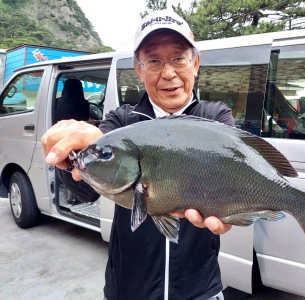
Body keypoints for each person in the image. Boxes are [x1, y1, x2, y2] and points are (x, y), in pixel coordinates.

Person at [41, 9, 233, 300]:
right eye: (154, 60)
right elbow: (85, 193)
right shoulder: (120, 123)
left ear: (195, 64)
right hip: (128, 290)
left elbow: (236, 178)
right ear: (139, 69)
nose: (168, 73)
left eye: (178, 58)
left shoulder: (216, 118)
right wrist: (68, 160)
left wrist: (234, 210)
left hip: (201, 290)